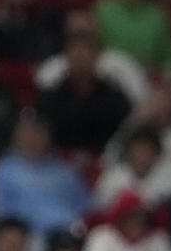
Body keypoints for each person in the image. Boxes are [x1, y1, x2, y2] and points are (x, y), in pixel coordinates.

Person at [0, 112, 91, 251]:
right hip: (29, 240)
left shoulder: (65, 171)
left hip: (69, 239)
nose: (32, 138)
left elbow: (87, 209)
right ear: (16, 136)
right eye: (27, 133)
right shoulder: (3, 171)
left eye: (37, 132)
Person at [34, 16, 133, 155]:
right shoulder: (51, 95)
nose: (80, 60)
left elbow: (124, 131)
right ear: (67, 58)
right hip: (58, 163)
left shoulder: (113, 95)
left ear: (96, 59)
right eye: (75, 54)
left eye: (85, 54)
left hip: (105, 160)